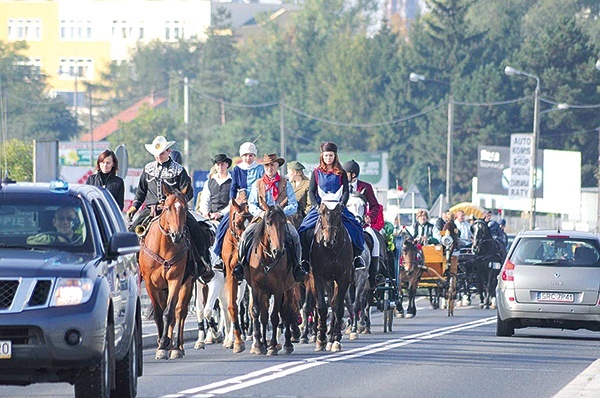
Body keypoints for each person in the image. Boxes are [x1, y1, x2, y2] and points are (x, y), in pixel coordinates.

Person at [126, 135, 213, 282]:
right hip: (152, 209)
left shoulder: (179, 170)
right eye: (157, 153)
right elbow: (141, 191)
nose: (159, 156)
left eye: (162, 153)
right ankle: (132, 266)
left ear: (168, 151)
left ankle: (203, 263)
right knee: (131, 231)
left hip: (175, 210)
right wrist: (134, 207)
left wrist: (178, 202)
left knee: (197, 230)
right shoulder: (148, 169)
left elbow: (189, 191)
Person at [233, 153, 307, 282]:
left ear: (277, 166)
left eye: (272, 165)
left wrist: (281, 212)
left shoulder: (286, 183)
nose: (270, 168)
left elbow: (293, 205)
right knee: (245, 235)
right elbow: (252, 204)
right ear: (264, 167)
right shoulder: (258, 184)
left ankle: (297, 266)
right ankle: (241, 265)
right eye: (267, 165)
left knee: (295, 236)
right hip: (262, 219)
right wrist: (261, 213)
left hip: (280, 219)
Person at [298, 142, 366, 270]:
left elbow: (346, 191)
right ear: (322, 156)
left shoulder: (341, 173)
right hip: (321, 208)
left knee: (356, 227)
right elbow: (312, 191)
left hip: (338, 208)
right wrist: (316, 205)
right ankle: (305, 259)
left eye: (331, 155)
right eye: (326, 155)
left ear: (335, 156)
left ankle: (357, 257)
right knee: (303, 230)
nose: (328, 158)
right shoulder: (316, 172)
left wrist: (342, 204)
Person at [213, 141, 265, 266]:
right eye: (246, 155)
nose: (248, 158)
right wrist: (232, 200)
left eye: (251, 155)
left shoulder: (260, 168)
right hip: (240, 202)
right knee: (223, 224)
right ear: (242, 156)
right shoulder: (237, 169)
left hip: (256, 202)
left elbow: (262, 186)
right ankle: (218, 255)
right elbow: (234, 186)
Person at [343, 159, 384, 281]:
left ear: (353, 174)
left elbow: (375, 206)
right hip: (344, 223)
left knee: (375, 241)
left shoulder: (366, 187)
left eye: (346, 174)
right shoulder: (340, 186)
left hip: (362, 225)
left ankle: (373, 275)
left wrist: (369, 216)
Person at [198, 153, 232, 222]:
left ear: (227, 165)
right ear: (215, 166)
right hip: (210, 216)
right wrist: (205, 213)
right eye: (218, 165)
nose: (220, 167)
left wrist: (221, 213)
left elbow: (233, 202)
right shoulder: (209, 182)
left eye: (222, 164)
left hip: (227, 217)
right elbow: (204, 200)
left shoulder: (233, 182)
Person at [286, 160, 311, 228]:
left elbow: (310, 204)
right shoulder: (290, 184)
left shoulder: (308, 184)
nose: (287, 174)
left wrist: (304, 215)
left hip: (301, 216)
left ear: (295, 172)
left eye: (289, 172)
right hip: (289, 214)